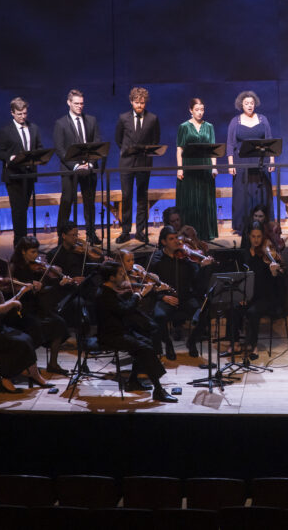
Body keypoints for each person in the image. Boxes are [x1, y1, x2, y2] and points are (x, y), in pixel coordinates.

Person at [95, 261, 177, 402]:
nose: (124, 276)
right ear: (112, 277)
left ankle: (133, 381)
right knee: (144, 348)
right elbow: (124, 310)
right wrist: (139, 295)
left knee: (146, 343)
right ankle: (158, 390)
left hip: (119, 331)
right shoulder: (104, 294)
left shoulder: (108, 291)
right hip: (111, 336)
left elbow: (121, 307)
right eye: (120, 274)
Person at [0, 253, 48, 393]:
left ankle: (33, 374)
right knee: (17, 342)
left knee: (26, 338)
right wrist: (12, 303)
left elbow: (4, 307)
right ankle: (7, 380)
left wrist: (22, 292)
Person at [149, 225, 212, 359]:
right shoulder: (156, 259)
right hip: (166, 299)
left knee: (204, 313)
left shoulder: (185, 258)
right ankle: (168, 344)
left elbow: (196, 281)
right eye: (171, 239)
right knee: (158, 316)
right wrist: (162, 297)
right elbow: (150, 284)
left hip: (185, 298)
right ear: (164, 242)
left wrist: (202, 267)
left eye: (176, 238)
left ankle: (192, 342)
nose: (176, 241)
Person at [10, 236, 70, 375]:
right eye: (32, 252)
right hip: (22, 309)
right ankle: (23, 365)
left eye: (37, 251)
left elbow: (45, 286)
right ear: (23, 251)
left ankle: (53, 364)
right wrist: (30, 286)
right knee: (36, 329)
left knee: (60, 323)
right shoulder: (15, 267)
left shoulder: (36, 267)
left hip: (36, 307)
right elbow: (13, 290)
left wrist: (58, 283)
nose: (36, 255)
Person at [53, 89, 102, 243]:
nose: (80, 106)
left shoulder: (91, 120)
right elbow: (60, 149)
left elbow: (97, 143)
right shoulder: (61, 123)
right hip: (70, 170)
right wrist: (75, 166)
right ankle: (62, 236)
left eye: (81, 104)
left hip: (88, 168)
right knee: (67, 201)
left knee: (90, 202)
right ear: (69, 103)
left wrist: (90, 163)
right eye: (76, 104)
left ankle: (91, 234)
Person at [0, 97, 44, 247]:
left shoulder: (33, 128)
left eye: (25, 113)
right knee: (18, 210)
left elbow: (39, 147)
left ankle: (25, 241)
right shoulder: (6, 131)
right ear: (12, 113)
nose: (23, 117)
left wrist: (39, 156)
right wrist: (10, 157)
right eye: (19, 114)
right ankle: (19, 243)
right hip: (14, 176)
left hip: (29, 175)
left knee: (24, 208)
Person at [115, 86, 161, 244]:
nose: (139, 105)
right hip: (127, 163)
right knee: (126, 196)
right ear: (131, 102)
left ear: (145, 102)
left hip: (144, 162)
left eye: (142, 103)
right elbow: (118, 139)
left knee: (142, 197)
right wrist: (127, 152)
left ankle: (140, 231)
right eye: (136, 102)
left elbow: (155, 140)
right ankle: (125, 231)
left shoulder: (152, 118)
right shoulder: (123, 118)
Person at [226, 90, 275, 233]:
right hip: (241, 163)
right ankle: (243, 226)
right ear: (241, 105)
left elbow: (269, 140)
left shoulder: (262, 119)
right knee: (242, 194)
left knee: (262, 192)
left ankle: (263, 225)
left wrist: (271, 160)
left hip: (261, 161)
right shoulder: (235, 121)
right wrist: (230, 164)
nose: (249, 105)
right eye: (246, 103)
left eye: (252, 103)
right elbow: (230, 144)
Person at [238, 222, 285, 359]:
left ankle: (253, 346)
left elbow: (278, 282)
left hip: (265, 297)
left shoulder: (266, 254)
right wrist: (241, 296)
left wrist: (274, 272)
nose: (256, 240)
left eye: (259, 236)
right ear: (248, 236)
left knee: (253, 312)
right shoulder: (244, 254)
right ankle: (233, 343)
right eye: (253, 236)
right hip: (248, 295)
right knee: (233, 307)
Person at [176, 97, 218, 241]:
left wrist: (214, 168)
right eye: (197, 110)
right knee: (190, 200)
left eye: (202, 109)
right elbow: (179, 149)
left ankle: (205, 233)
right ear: (191, 110)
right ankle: (188, 234)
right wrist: (180, 168)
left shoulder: (209, 126)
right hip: (189, 166)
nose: (200, 112)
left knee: (204, 199)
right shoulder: (184, 127)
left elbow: (213, 149)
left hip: (205, 166)